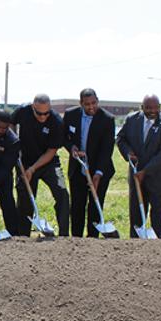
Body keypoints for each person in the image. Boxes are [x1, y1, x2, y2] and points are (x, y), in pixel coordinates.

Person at [116, 94, 161, 239]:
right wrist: (128, 153)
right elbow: (120, 139)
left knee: (157, 218)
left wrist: (146, 171)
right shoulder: (132, 119)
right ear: (142, 107)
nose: (152, 111)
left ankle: (156, 246)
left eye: (156, 108)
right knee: (136, 215)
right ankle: (135, 245)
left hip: (160, 178)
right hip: (137, 176)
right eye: (148, 108)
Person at [10, 93, 70, 236]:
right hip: (24, 161)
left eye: (46, 113)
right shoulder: (22, 111)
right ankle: (23, 235)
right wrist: (13, 140)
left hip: (48, 162)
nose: (43, 117)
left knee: (62, 193)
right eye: (39, 113)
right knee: (25, 198)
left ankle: (64, 235)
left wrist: (33, 169)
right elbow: (11, 122)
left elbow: (51, 152)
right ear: (32, 107)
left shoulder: (56, 122)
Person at [62, 88, 116, 237]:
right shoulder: (70, 115)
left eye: (94, 103)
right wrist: (71, 147)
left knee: (95, 207)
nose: (91, 107)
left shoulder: (107, 119)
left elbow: (107, 150)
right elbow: (64, 137)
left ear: (97, 101)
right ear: (81, 103)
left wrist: (98, 173)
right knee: (77, 207)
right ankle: (77, 240)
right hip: (78, 169)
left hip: (100, 170)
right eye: (87, 104)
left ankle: (93, 239)